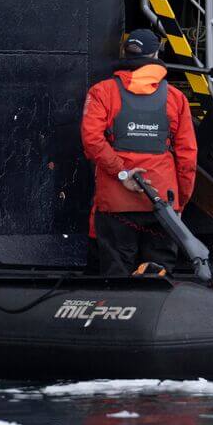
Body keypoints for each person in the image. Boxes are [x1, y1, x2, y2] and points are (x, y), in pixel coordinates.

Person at [79, 29, 198, 276]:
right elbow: (187, 157)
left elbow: (91, 141)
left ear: (126, 54)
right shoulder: (176, 98)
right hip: (162, 204)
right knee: (159, 278)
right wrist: (179, 201)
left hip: (115, 205)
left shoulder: (101, 92)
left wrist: (123, 173)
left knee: (116, 276)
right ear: (155, 54)